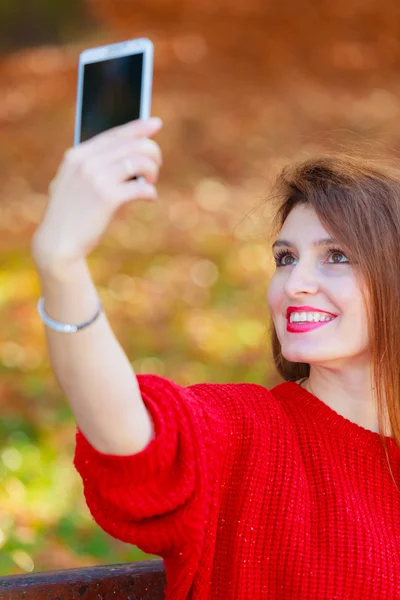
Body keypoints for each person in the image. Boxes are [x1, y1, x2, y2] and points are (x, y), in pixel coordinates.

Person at [31, 117, 400, 599]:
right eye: (286, 258)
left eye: (336, 256)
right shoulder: (246, 430)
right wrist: (62, 265)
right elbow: (130, 433)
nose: (294, 285)